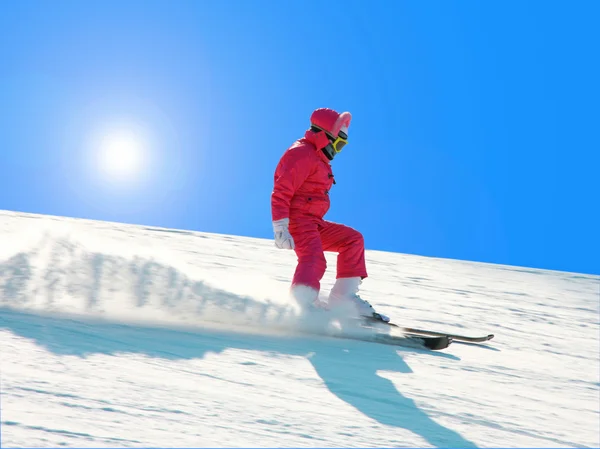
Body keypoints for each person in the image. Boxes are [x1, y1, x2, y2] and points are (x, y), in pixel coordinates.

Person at [270, 107, 389, 322]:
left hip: (313, 222)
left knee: (352, 239)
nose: (340, 150)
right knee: (314, 258)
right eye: (339, 143)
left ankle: (343, 298)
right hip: (297, 221)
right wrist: (280, 226)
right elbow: (281, 191)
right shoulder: (301, 153)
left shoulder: (317, 158)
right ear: (325, 136)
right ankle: (301, 304)